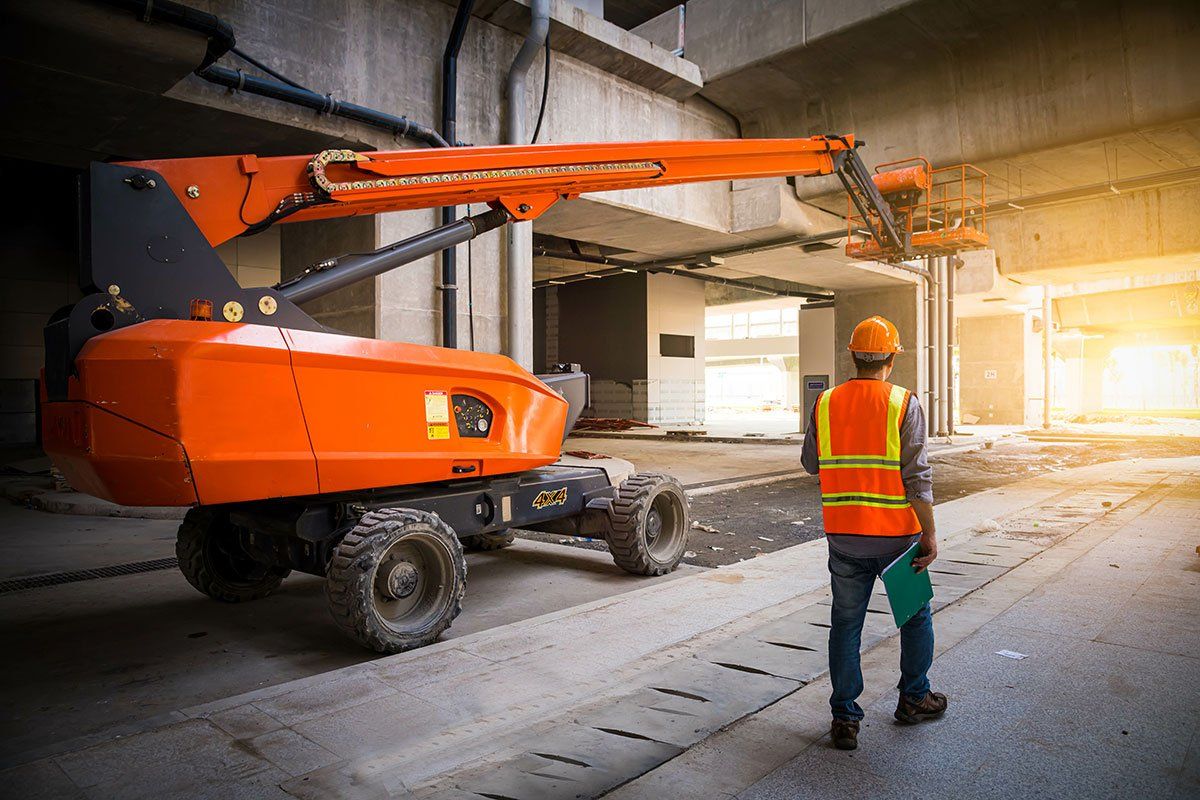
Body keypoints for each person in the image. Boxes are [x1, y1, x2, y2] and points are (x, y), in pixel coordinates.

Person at [801, 314, 947, 751]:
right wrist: (930, 535)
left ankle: (845, 718)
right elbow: (916, 479)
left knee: (846, 625)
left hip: (844, 537)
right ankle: (913, 698)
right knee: (914, 617)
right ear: (891, 358)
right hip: (898, 539)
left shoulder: (825, 403)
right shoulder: (904, 403)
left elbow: (811, 463)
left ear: (852, 355)